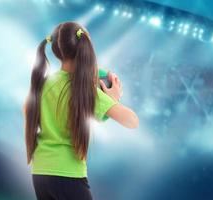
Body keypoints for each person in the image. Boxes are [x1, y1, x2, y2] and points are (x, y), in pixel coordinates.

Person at [23, 21, 139, 200]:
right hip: (68, 174)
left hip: (41, 172)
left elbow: (26, 110)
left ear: (56, 50)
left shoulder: (43, 83)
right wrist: (112, 98)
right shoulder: (84, 91)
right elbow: (132, 121)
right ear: (86, 48)